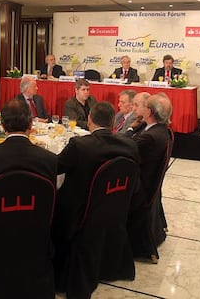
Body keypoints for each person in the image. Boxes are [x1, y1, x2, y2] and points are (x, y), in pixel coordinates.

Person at [52, 101, 140, 249]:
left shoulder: (79, 145)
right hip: (117, 207)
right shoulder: (130, 145)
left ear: (89, 120)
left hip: (80, 211)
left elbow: (55, 167)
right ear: (113, 122)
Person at [0, 98, 57, 208]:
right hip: (37, 222)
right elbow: (50, 201)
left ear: (2, 125)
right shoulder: (50, 159)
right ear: (31, 124)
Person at [130, 93, 172, 210]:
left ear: (149, 112)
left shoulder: (150, 137)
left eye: (145, 106)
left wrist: (129, 130)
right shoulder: (162, 130)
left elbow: (127, 147)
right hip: (149, 184)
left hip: (139, 188)